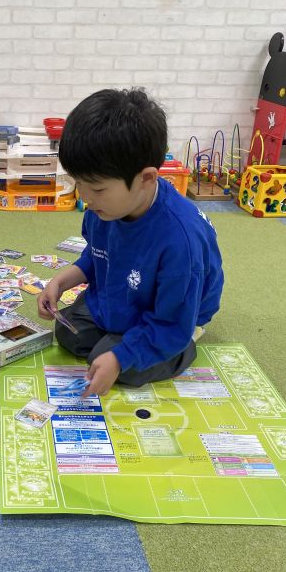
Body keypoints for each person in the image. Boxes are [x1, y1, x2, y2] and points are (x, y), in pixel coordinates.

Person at [38, 88, 224, 397]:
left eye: (97, 188)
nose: (85, 198)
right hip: (125, 291)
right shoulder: (105, 207)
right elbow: (97, 255)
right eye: (78, 183)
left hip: (172, 315)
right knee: (69, 333)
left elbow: (171, 319)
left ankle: (186, 343)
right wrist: (61, 281)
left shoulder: (181, 241)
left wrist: (119, 358)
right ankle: (122, 339)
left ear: (146, 178)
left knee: (114, 362)